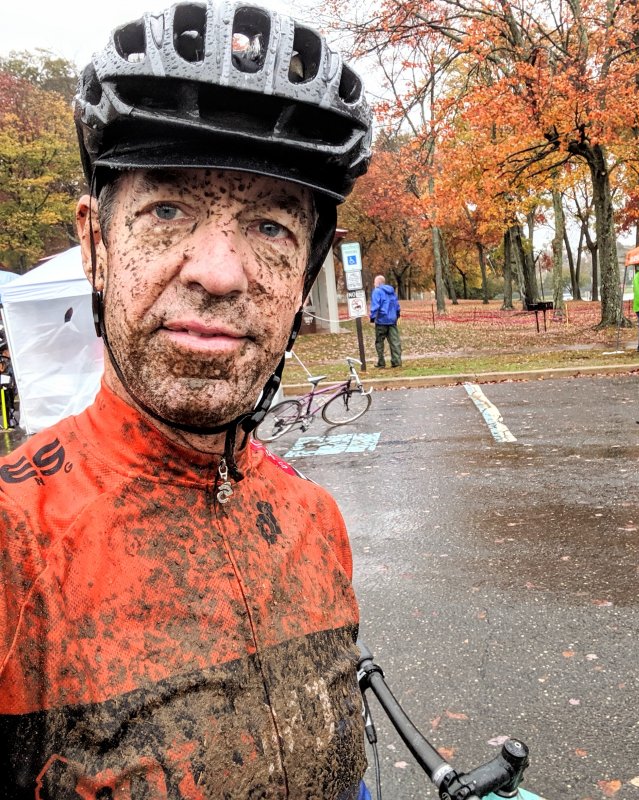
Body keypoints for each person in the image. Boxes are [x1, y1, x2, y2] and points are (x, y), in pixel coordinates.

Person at [0, 3, 373, 798]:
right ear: (96, 244)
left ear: (304, 279)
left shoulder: (315, 520)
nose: (219, 272)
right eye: (167, 211)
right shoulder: (13, 543)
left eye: (271, 227)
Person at [369, 275, 402, 368]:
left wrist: (372, 317)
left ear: (378, 283)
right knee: (395, 342)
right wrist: (397, 315)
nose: (374, 284)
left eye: (374, 282)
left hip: (381, 320)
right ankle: (396, 362)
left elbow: (375, 305)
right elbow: (397, 305)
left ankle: (381, 362)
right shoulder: (392, 292)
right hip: (392, 320)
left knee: (379, 342)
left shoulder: (377, 291)